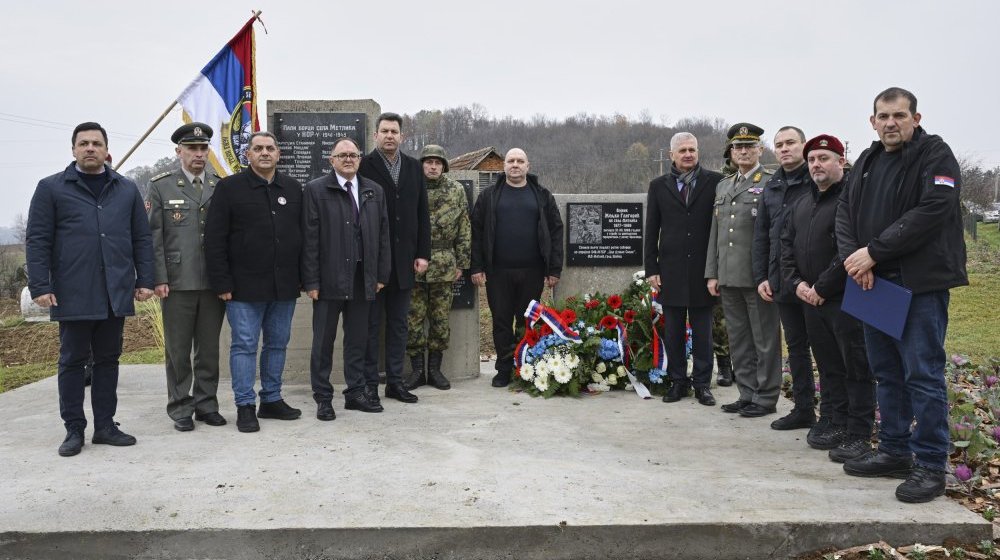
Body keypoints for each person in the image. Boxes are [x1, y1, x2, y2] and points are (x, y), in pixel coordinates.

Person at [837, 87, 967, 503]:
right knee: (887, 373)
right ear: (872, 122)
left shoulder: (935, 155)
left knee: (922, 375)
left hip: (919, 285)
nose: (890, 123)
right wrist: (856, 262)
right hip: (874, 284)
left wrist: (874, 252)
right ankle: (894, 449)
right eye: (882, 116)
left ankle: (930, 464)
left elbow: (933, 209)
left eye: (899, 115)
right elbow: (845, 215)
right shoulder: (868, 161)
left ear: (916, 117)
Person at [26, 121, 154, 456]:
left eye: (96, 143)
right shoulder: (51, 188)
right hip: (73, 291)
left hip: (115, 291)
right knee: (72, 361)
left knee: (108, 360)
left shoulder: (125, 189)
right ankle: (74, 429)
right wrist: (40, 285)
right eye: (83, 143)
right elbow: (38, 240)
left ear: (106, 149)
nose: (90, 148)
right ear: (73, 150)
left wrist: (146, 280)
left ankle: (106, 426)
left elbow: (141, 238)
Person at [782, 134, 876, 463]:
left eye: (824, 158)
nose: (816, 164)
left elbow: (847, 250)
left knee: (856, 366)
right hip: (810, 299)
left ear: (841, 161)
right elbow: (787, 248)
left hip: (844, 298)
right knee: (828, 366)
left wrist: (822, 287)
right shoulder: (801, 203)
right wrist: (797, 284)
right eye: (812, 160)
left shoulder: (851, 199)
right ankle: (834, 419)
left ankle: (858, 429)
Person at [204, 131, 304, 433]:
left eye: (270, 148)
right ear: (248, 155)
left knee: (277, 344)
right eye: (258, 148)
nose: (264, 153)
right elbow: (214, 238)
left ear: (278, 154)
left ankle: (271, 399)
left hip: (283, 285)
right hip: (243, 287)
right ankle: (245, 405)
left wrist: (301, 277)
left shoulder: (292, 188)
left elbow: (303, 235)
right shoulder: (230, 188)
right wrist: (221, 282)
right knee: (245, 345)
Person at [146, 122, 227, 432]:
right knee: (178, 350)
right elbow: (154, 236)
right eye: (192, 148)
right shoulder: (162, 185)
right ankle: (181, 407)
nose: (198, 153)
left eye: (203, 148)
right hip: (177, 282)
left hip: (211, 283)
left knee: (208, 349)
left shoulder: (220, 185)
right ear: (178, 151)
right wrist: (159, 278)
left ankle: (206, 404)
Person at [302, 137, 391, 419]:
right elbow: (310, 239)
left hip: (362, 278)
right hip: (329, 280)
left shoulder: (373, 191)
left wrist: (380, 275)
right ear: (332, 160)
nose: (349, 159)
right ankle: (323, 397)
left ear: (360, 159)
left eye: (353, 154)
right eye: (342, 155)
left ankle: (355, 393)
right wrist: (311, 281)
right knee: (323, 342)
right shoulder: (316, 190)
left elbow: (383, 236)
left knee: (358, 340)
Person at [470, 148, 563, 388]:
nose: (515, 165)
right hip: (497, 272)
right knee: (501, 321)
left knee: (526, 322)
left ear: (527, 166)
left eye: (520, 161)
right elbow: (477, 233)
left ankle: (524, 367)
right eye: (510, 161)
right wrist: (476, 267)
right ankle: (503, 368)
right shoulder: (489, 196)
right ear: (504, 166)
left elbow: (555, 231)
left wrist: (554, 269)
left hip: (532, 271)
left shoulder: (542, 196)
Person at [706, 122, 781, 418]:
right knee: (738, 340)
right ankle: (747, 393)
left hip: (757, 278)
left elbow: (775, 234)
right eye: (738, 147)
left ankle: (766, 396)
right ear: (731, 152)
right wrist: (712, 273)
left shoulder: (772, 183)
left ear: (760, 150)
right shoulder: (724, 186)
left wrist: (771, 275)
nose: (744, 151)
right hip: (728, 276)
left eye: (750, 146)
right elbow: (716, 232)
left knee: (765, 340)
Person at [644, 132, 722, 406]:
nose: (688, 154)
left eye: (692, 149)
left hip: (703, 271)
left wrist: (717, 269)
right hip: (671, 270)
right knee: (674, 331)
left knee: (703, 332)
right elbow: (651, 228)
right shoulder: (658, 186)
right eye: (682, 150)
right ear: (671, 156)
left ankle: (702, 384)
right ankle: (678, 382)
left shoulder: (715, 182)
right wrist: (651, 268)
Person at [358, 113, 429, 405]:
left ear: (402, 136)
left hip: (405, 262)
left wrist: (423, 253)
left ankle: (396, 383)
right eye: (384, 131)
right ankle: (370, 384)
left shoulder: (413, 168)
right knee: (372, 326)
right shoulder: (364, 166)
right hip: (374, 261)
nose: (389, 135)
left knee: (400, 325)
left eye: (394, 131)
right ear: (375, 135)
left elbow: (422, 213)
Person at [750, 126, 818, 432]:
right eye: (779, 145)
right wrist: (762, 275)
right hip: (782, 281)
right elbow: (762, 235)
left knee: (826, 349)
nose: (784, 148)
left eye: (790, 143)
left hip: (814, 281)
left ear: (803, 146)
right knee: (796, 347)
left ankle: (831, 414)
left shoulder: (815, 179)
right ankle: (804, 409)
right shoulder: (771, 186)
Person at [404, 145, 471, 391]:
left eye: (438, 162)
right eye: (428, 161)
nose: (433, 166)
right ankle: (417, 370)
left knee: (440, 319)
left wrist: (462, 262)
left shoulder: (455, 191)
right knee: (413, 319)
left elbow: (464, 226)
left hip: (444, 264)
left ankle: (434, 369)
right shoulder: (410, 186)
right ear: (421, 164)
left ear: (444, 166)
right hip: (414, 266)